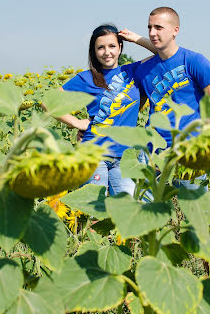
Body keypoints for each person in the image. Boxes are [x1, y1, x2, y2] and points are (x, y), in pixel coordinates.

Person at [122, 6, 210, 191]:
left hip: (189, 153)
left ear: (175, 30)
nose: (152, 33)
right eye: (149, 28)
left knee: (196, 215)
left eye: (158, 27)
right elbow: (131, 109)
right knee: (145, 215)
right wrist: (91, 127)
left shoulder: (193, 61)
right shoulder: (143, 70)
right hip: (152, 154)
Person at [55, 24, 156, 196]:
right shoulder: (86, 78)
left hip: (126, 157)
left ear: (120, 47)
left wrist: (136, 39)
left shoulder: (132, 71)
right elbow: (49, 102)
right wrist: (76, 122)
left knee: (127, 210)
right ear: (93, 51)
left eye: (112, 46)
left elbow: (164, 52)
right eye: (100, 47)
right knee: (94, 212)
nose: (106, 52)